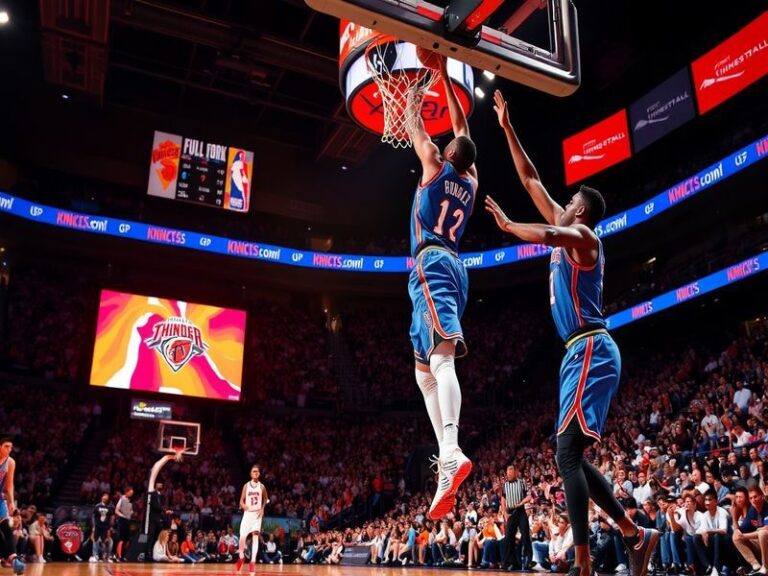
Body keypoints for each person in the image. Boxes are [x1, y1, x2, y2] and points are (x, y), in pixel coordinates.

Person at [485, 90, 659, 576]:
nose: (560, 205)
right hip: (576, 352)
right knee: (571, 456)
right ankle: (633, 534)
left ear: (579, 212)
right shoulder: (570, 228)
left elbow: (545, 233)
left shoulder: (584, 237)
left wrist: (506, 224)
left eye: (569, 202)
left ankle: (584, 562)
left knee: (566, 454)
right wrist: (505, 127)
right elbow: (531, 178)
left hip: (591, 347)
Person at [406, 52, 478, 520]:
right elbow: (463, 130)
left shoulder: (435, 163)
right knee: (422, 371)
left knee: (441, 356)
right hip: (447, 265)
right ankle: (445, 458)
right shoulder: (470, 180)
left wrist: (413, 98)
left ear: (447, 152)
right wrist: (446, 78)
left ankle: (451, 450)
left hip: (433, 262)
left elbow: (417, 127)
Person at [0, 434, 25, 574]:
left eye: (10, 447)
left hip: (0, 499)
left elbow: (9, 485)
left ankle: (13, 558)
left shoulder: (10, 462)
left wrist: (11, 504)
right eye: (6, 446)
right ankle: (5, 557)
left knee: (6, 529)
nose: (9, 449)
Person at [236, 464, 268, 572]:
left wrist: (262, 508)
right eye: (254, 471)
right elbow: (241, 500)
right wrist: (243, 505)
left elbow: (265, 499)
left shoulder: (262, 487)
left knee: (255, 536)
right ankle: (241, 556)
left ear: (259, 474)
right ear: (250, 473)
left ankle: (253, 561)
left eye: (257, 471)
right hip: (247, 514)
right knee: (242, 537)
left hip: (257, 515)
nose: (255, 473)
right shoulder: (246, 485)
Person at [502, 463, 534, 570]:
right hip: (510, 513)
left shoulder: (522, 482)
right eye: (508, 471)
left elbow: (529, 496)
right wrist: (505, 513)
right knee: (508, 538)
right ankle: (511, 562)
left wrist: (520, 503)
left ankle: (528, 560)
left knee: (525, 535)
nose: (509, 473)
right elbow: (503, 500)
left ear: (516, 472)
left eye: (511, 471)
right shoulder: (505, 485)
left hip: (520, 511)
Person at [90, 492, 114, 563]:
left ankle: (105, 556)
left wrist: (109, 527)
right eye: (104, 496)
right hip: (98, 526)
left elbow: (111, 517)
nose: (105, 498)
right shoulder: (97, 506)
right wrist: (93, 526)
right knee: (95, 540)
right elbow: (93, 517)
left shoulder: (109, 507)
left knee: (104, 542)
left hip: (105, 527)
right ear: (101, 497)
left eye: (107, 497)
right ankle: (95, 555)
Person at [115, 486, 134, 562]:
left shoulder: (129, 501)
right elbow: (116, 510)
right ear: (127, 492)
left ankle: (123, 555)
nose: (131, 494)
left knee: (127, 540)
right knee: (121, 539)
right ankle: (118, 556)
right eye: (130, 493)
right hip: (122, 521)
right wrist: (122, 515)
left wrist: (131, 513)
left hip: (128, 521)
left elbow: (131, 511)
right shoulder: (122, 499)